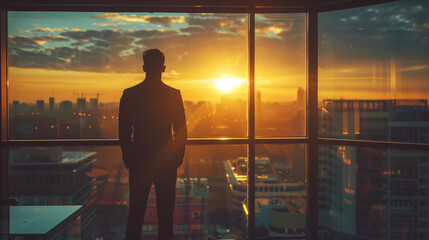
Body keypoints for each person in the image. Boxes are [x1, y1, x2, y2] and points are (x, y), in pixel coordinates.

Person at [119, 49, 187, 240]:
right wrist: (177, 158)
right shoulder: (173, 94)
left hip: (139, 161)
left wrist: (129, 159)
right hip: (166, 161)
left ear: (144, 68)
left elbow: (124, 132)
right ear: (163, 68)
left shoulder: (130, 94)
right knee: (166, 215)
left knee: (136, 214)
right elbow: (181, 131)